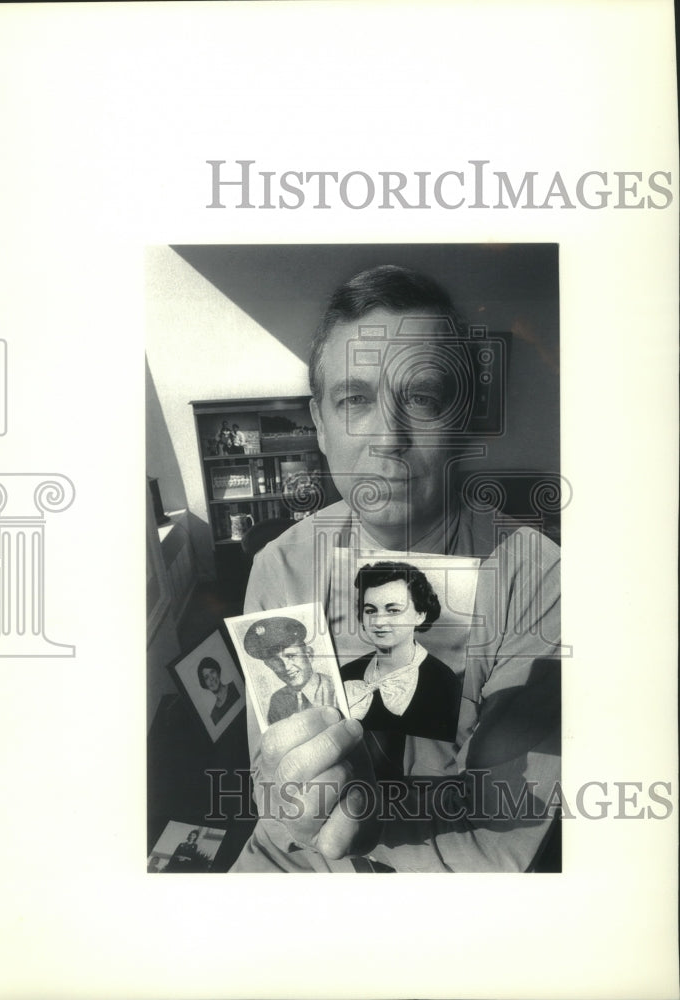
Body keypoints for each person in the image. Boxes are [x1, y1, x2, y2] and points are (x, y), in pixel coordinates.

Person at [231, 264, 561, 874]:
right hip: (286, 869)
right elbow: (270, 777)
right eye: (355, 399)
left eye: (423, 397)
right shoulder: (278, 565)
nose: (389, 436)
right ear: (322, 427)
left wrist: (374, 811)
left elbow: (507, 821)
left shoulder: (542, 579)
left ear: (462, 420)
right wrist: (293, 793)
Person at [340, 561, 462, 774]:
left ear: (420, 614)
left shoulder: (443, 683)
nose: (378, 621)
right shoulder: (347, 673)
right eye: (370, 610)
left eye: (393, 610)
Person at [243, 616, 336, 724]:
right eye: (276, 661)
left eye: (291, 656)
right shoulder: (277, 702)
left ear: (309, 655)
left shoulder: (336, 689)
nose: (286, 667)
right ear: (269, 666)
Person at [197, 657, 241, 726]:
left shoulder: (236, 686)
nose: (211, 678)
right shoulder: (214, 715)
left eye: (212, 672)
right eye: (206, 677)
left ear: (218, 672)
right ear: (205, 684)